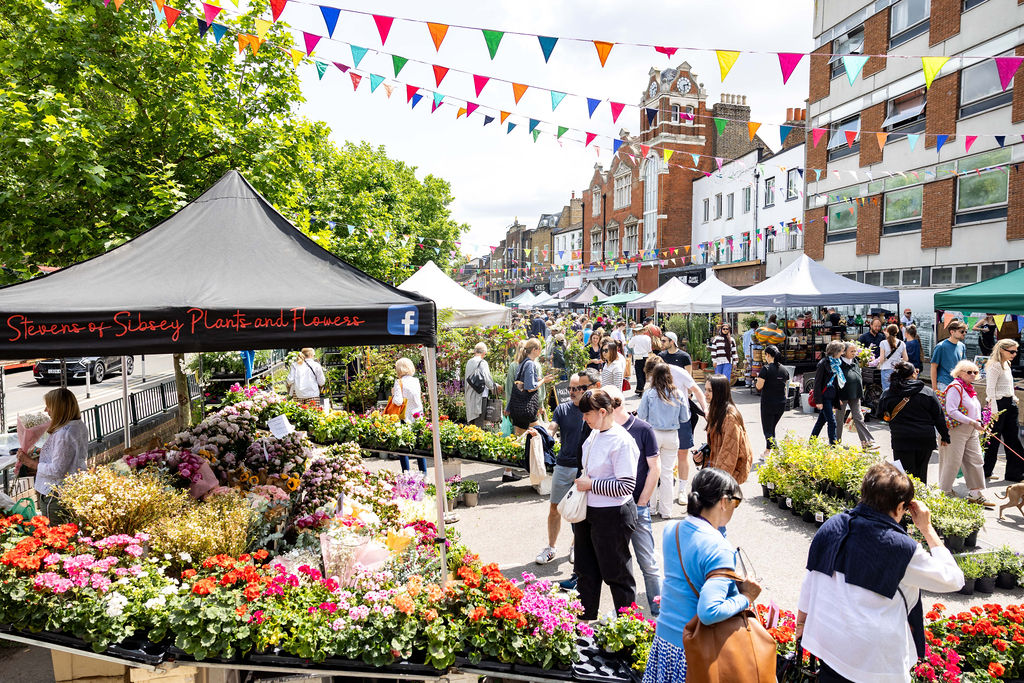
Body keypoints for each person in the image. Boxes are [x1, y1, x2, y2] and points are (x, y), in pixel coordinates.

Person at [797, 463, 964, 683]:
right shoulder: (900, 547)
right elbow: (954, 580)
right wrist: (927, 528)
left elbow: (811, 580)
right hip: (872, 661)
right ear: (901, 507)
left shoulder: (833, 525)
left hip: (829, 644)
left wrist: (801, 625)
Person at [643, 468, 760, 683]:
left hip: (664, 640)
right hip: (693, 649)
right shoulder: (720, 549)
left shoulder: (673, 529)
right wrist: (747, 597)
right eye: (735, 503)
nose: (734, 509)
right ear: (724, 501)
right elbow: (709, 611)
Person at [573, 389, 640, 620]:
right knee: (586, 571)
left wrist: (590, 484)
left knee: (617, 573)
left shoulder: (622, 441)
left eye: (587, 414)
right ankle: (585, 621)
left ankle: (628, 627)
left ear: (602, 412)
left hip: (613, 515)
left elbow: (626, 487)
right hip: (589, 513)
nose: (584, 418)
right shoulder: (595, 433)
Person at [607, 385, 662, 616]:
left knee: (647, 562)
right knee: (619, 566)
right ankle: (626, 617)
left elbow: (655, 468)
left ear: (613, 406)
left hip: (637, 507)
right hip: (612, 507)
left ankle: (659, 613)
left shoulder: (642, 429)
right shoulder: (602, 430)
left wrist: (641, 502)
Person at [536, 370, 597, 566]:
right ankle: (551, 547)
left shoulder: (593, 411)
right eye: (570, 388)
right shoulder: (562, 409)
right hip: (563, 465)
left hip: (584, 469)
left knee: (579, 511)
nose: (571, 392)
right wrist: (541, 433)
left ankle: (575, 546)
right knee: (555, 508)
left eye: (576, 388)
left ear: (585, 389)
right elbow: (552, 429)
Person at [16, 388, 88, 524]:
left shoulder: (63, 433)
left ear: (58, 408)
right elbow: (67, 456)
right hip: (72, 489)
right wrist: (42, 451)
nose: (46, 410)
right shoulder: (78, 426)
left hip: (55, 494)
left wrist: (30, 462)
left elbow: (58, 470)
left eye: (49, 406)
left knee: (56, 537)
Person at [876, 363, 949, 484]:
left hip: (901, 438)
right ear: (913, 374)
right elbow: (939, 416)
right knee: (921, 473)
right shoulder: (928, 392)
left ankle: (906, 501)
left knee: (903, 476)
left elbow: (880, 414)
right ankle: (920, 500)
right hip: (925, 438)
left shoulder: (888, 393)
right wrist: (945, 436)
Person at [638, 363, 689, 521]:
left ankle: (651, 507)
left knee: (652, 471)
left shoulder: (650, 393)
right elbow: (685, 417)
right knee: (667, 474)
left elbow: (641, 415)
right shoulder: (678, 393)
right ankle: (666, 510)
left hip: (653, 434)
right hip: (672, 435)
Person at [940, 360, 992, 506]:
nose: (973, 374)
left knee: (976, 459)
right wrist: (972, 422)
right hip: (956, 429)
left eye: (975, 372)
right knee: (952, 461)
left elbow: (974, 409)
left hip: (971, 429)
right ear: (959, 373)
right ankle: (945, 492)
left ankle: (975, 493)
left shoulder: (969, 388)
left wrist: (978, 421)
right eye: (969, 372)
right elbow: (951, 410)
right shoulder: (955, 387)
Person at [984, 339, 1024, 482]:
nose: (1014, 354)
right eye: (1011, 351)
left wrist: (1013, 397)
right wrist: (994, 410)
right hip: (997, 404)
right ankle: (985, 471)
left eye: (1016, 351)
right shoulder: (994, 366)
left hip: (1009, 402)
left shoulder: (1007, 364)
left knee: (1014, 438)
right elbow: (990, 389)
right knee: (992, 440)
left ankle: (1015, 473)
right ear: (1002, 350)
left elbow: (1008, 384)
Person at [703, 374, 753, 484]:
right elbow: (715, 446)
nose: (705, 394)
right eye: (705, 389)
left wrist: (717, 480)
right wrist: (701, 456)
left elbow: (729, 452)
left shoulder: (730, 417)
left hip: (728, 473)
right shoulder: (716, 410)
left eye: (710, 391)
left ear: (720, 392)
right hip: (720, 470)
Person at [835, 342, 877, 451]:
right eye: (852, 351)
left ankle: (867, 442)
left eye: (855, 351)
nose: (854, 353)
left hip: (855, 394)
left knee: (859, 417)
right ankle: (835, 442)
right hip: (841, 395)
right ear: (844, 352)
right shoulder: (838, 363)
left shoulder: (855, 361)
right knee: (839, 419)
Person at [392, 358, 426, 472]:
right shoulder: (416, 381)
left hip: (404, 418)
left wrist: (393, 395)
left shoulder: (399, 382)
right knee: (419, 447)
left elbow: (398, 401)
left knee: (403, 447)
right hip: (417, 416)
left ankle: (406, 473)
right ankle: (423, 473)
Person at [756, 344, 790, 458]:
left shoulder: (765, 369)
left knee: (767, 431)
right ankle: (767, 452)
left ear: (768, 355)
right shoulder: (784, 370)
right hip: (781, 403)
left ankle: (779, 454)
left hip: (768, 403)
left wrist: (757, 380)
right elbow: (785, 387)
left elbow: (759, 386)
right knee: (771, 428)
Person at [810, 341, 846, 446]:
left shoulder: (837, 363)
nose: (842, 353)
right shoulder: (823, 363)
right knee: (832, 421)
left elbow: (836, 383)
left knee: (821, 421)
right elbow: (817, 383)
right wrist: (818, 401)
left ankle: (811, 442)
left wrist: (837, 398)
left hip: (832, 396)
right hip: (824, 397)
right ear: (835, 352)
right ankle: (833, 444)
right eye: (841, 351)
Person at [464, 343, 496, 429]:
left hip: (469, 395)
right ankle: (477, 441)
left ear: (475, 351)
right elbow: (487, 380)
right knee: (479, 422)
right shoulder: (483, 362)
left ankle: (470, 440)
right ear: (484, 353)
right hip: (480, 396)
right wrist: (494, 388)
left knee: (471, 423)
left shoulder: (469, 362)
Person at [930, 321, 966, 391]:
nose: (964, 333)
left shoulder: (962, 346)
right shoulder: (941, 346)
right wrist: (934, 387)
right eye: (962, 331)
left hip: (958, 383)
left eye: (965, 331)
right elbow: (933, 367)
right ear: (952, 332)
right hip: (944, 384)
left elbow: (963, 366)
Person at [877, 324, 909, 392]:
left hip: (886, 369)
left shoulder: (883, 343)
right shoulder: (902, 343)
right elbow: (906, 359)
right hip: (897, 369)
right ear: (897, 332)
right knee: (897, 390)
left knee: (887, 391)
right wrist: (898, 360)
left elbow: (882, 359)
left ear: (887, 331)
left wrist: (878, 364)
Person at [628, 326, 654, 395]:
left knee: (638, 372)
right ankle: (641, 387)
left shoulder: (634, 338)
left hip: (638, 356)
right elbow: (649, 349)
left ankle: (640, 388)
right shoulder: (647, 338)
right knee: (644, 372)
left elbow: (629, 345)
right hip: (645, 355)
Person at [742, 318, 758, 387]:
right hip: (754, 352)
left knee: (748, 367)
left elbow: (743, 344)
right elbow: (756, 344)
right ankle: (754, 383)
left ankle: (748, 383)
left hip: (747, 353)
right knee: (755, 367)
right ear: (757, 326)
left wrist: (744, 352)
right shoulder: (755, 333)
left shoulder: (745, 333)